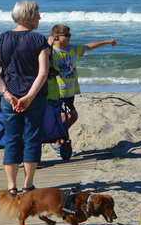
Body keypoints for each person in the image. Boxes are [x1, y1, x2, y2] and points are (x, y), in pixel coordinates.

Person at [0, 0, 50, 195]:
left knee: (12, 139)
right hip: (35, 97)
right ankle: (28, 185)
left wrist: (7, 95)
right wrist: (29, 97)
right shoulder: (39, 40)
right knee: (32, 139)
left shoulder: (2, 38)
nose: (40, 17)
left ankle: (11, 185)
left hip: (10, 97)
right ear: (29, 16)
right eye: (37, 13)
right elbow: (43, 73)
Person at [46, 24, 119, 155]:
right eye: (66, 35)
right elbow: (39, 59)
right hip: (59, 91)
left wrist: (107, 42)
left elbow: (89, 46)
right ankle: (57, 142)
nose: (69, 37)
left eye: (70, 35)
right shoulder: (51, 50)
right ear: (56, 37)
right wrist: (47, 45)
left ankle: (57, 139)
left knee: (69, 116)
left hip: (71, 90)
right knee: (68, 116)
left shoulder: (72, 49)